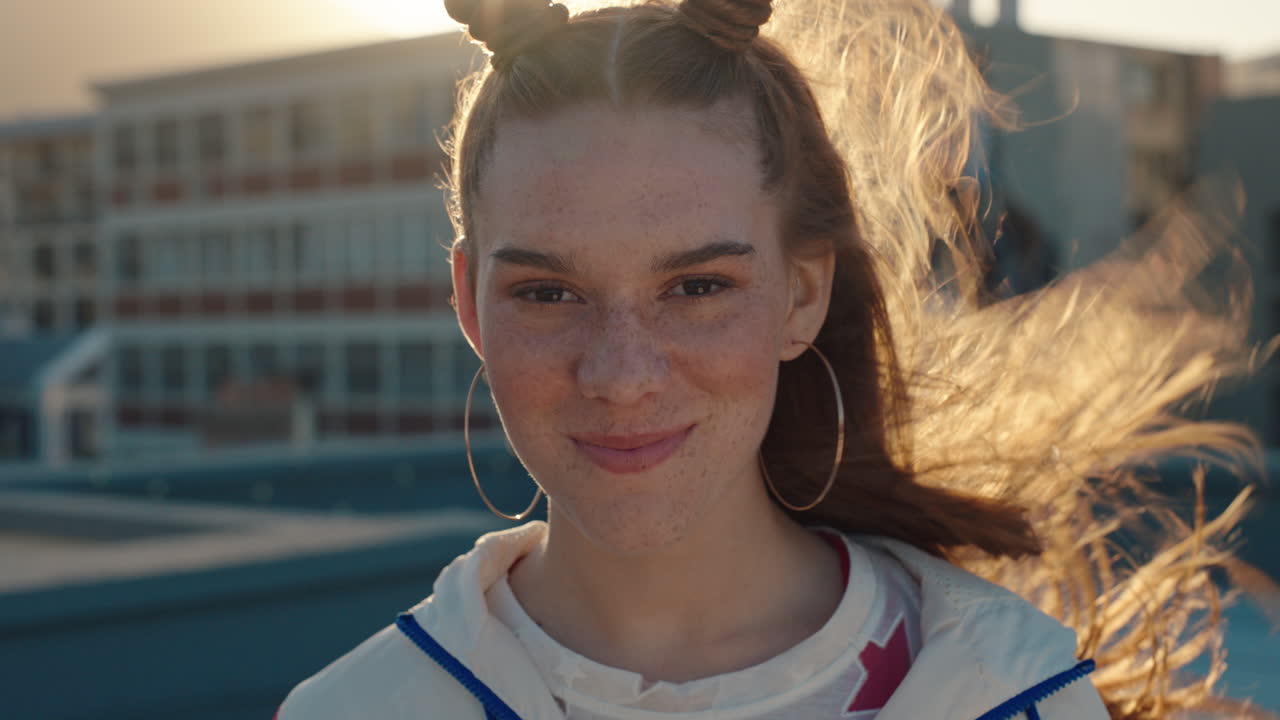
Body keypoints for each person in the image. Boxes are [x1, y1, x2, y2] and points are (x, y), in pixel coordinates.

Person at [278, 0, 1274, 718]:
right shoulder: (358, 708)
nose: (620, 374)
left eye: (697, 287)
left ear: (802, 294)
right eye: (547, 293)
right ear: (467, 301)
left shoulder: (1005, 691)